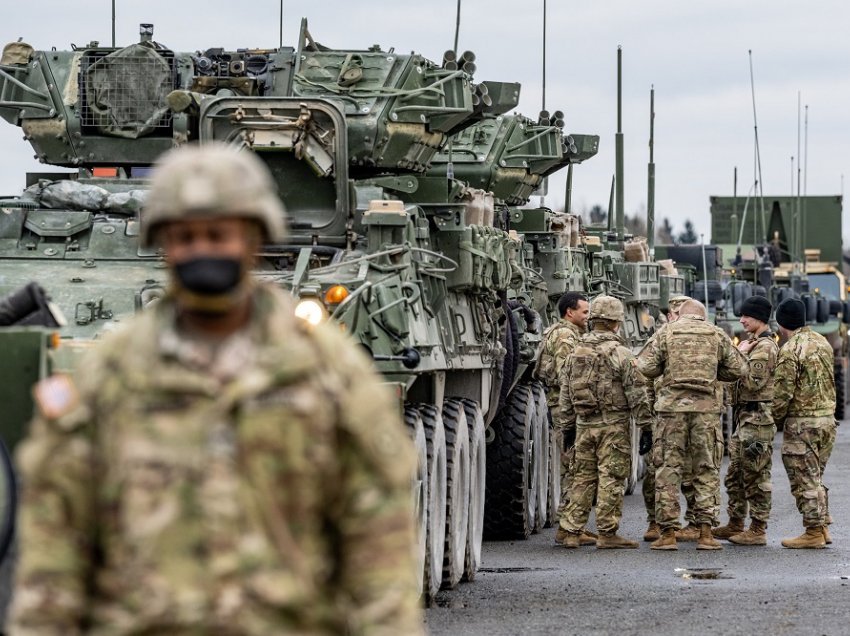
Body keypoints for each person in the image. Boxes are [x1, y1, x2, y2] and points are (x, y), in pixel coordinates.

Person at [9, 143, 424, 634]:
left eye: (218, 234)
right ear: (162, 244)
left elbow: (376, 537)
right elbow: (58, 538)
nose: (201, 249)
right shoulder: (113, 373)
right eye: (185, 237)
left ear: (252, 238)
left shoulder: (323, 371)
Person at [636, 298, 747, 551]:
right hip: (706, 411)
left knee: (667, 469)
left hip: (671, 411)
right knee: (706, 469)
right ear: (702, 316)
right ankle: (706, 533)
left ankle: (668, 534)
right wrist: (714, 373)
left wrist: (666, 370)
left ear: (681, 314)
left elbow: (645, 366)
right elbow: (739, 368)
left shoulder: (666, 332)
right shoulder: (716, 333)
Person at [555, 295, 653, 549]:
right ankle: (608, 533)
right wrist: (646, 427)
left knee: (582, 477)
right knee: (611, 477)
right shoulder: (621, 353)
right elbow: (637, 392)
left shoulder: (577, 351)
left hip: (583, 425)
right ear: (615, 323)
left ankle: (571, 531)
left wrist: (567, 427)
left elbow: (565, 392)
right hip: (613, 425)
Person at [772, 297, 837, 549]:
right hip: (827, 421)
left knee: (803, 478)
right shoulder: (822, 343)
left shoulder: (790, 350)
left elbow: (782, 393)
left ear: (781, 323)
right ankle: (822, 526)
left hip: (803, 424)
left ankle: (812, 532)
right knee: (815, 476)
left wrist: (771, 420)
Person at [713, 295, 778, 546]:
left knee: (756, 475)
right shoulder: (752, 343)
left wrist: (738, 355)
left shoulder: (764, 347)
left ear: (759, 318)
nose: (741, 320)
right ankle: (736, 523)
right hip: (745, 417)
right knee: (735, 475)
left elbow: (752, 381)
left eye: (746, 316)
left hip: (758, 419)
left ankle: (758, 529)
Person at [641, 295, 700, 542]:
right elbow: (644, 375)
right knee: (656, 470)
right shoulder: (661, 338)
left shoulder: (699, 336)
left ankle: (695, 522)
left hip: (694, 413)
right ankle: (657, 522)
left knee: (694, 471)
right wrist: (646, 418)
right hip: (663, 413)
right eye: (672, 314)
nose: (675, 318)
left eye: (679, 313)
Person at [534, 291, 592, 540]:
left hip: (561, 405)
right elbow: (566, 374)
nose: (587, 316)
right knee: (575, 463)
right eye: (584, 312)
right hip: (565, 407)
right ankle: (569, 527)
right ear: (570, 312)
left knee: (572, 463)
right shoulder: (566, 335)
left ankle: (570, 524)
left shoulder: (564, 332)